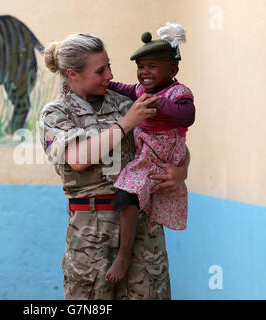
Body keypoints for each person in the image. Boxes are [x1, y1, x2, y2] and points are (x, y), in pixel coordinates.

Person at [39, 32, 189, 299]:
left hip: (144, 232)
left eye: (109, 66)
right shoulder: (57, 113)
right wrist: (126, 124)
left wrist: (181, 169)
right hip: (91, 236)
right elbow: (79, 159)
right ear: (73, 74)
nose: (110, 75)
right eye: (100, 70)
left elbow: (171, 140)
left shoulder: (128, 102)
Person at [105, 23, 195, 283]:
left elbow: (187, 116)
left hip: (162, 152)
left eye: (152, 66)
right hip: (145, 152)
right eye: (141, 67)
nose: (144, 72)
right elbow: (122, 88)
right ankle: (124, 251)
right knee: (127, 197)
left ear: (173, 70)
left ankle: (123, 256)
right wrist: (106, 82)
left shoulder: (178, 92)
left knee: (128, 193)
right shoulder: (141, 90)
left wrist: (162, 103)